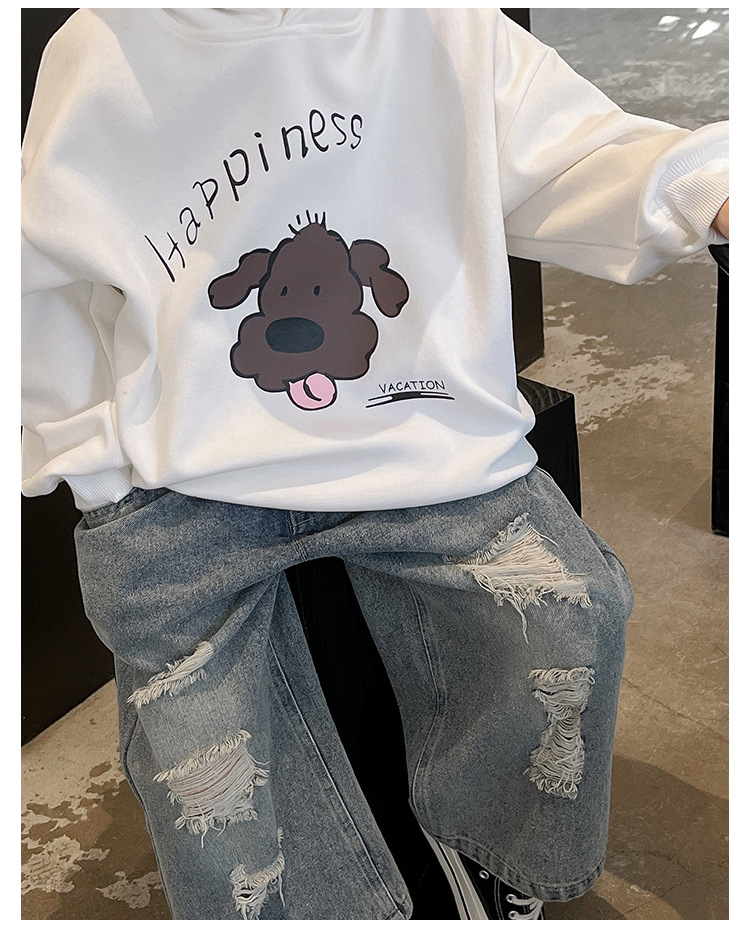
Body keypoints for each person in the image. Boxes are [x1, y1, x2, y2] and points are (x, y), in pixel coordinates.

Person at [21, 8, 728, 921]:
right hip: (189, 478)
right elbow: (42, 274)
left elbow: (573, 153)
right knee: (204, 767)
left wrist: (707, 185)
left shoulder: (440, 24)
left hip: (424, 443)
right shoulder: (105, 50)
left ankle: (497, 858)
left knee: (570, 618)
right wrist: (91, 465)